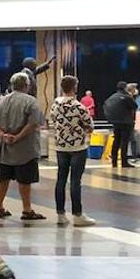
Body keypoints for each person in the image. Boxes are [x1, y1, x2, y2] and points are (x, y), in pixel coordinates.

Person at [0, 72, 45, 221]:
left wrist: (3, 135)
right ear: (27, 85)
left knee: (3, 179)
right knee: (25, 181)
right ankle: (27, 209)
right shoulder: (31, 101)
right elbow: (34, 123)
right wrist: (18, 136)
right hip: (25, 149)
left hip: (4, 149)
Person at [47, 75, 97, 227]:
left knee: (61, 179)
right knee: (75, 181)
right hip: (77, 147)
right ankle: (77, 214)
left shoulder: (55, 104)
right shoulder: (78, 106)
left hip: (61, 146)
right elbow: (90, 126)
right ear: (74, 87)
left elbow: (52, 121)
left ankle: (60, 214)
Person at [104, 81, 138, 169]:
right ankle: (124, 162)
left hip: (115, 122)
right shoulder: (126, 97)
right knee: (124, 142)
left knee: (116, 141)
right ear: (125, 88)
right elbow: (135, 106)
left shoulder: (112, 97)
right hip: (126, 122)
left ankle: (114, 162)